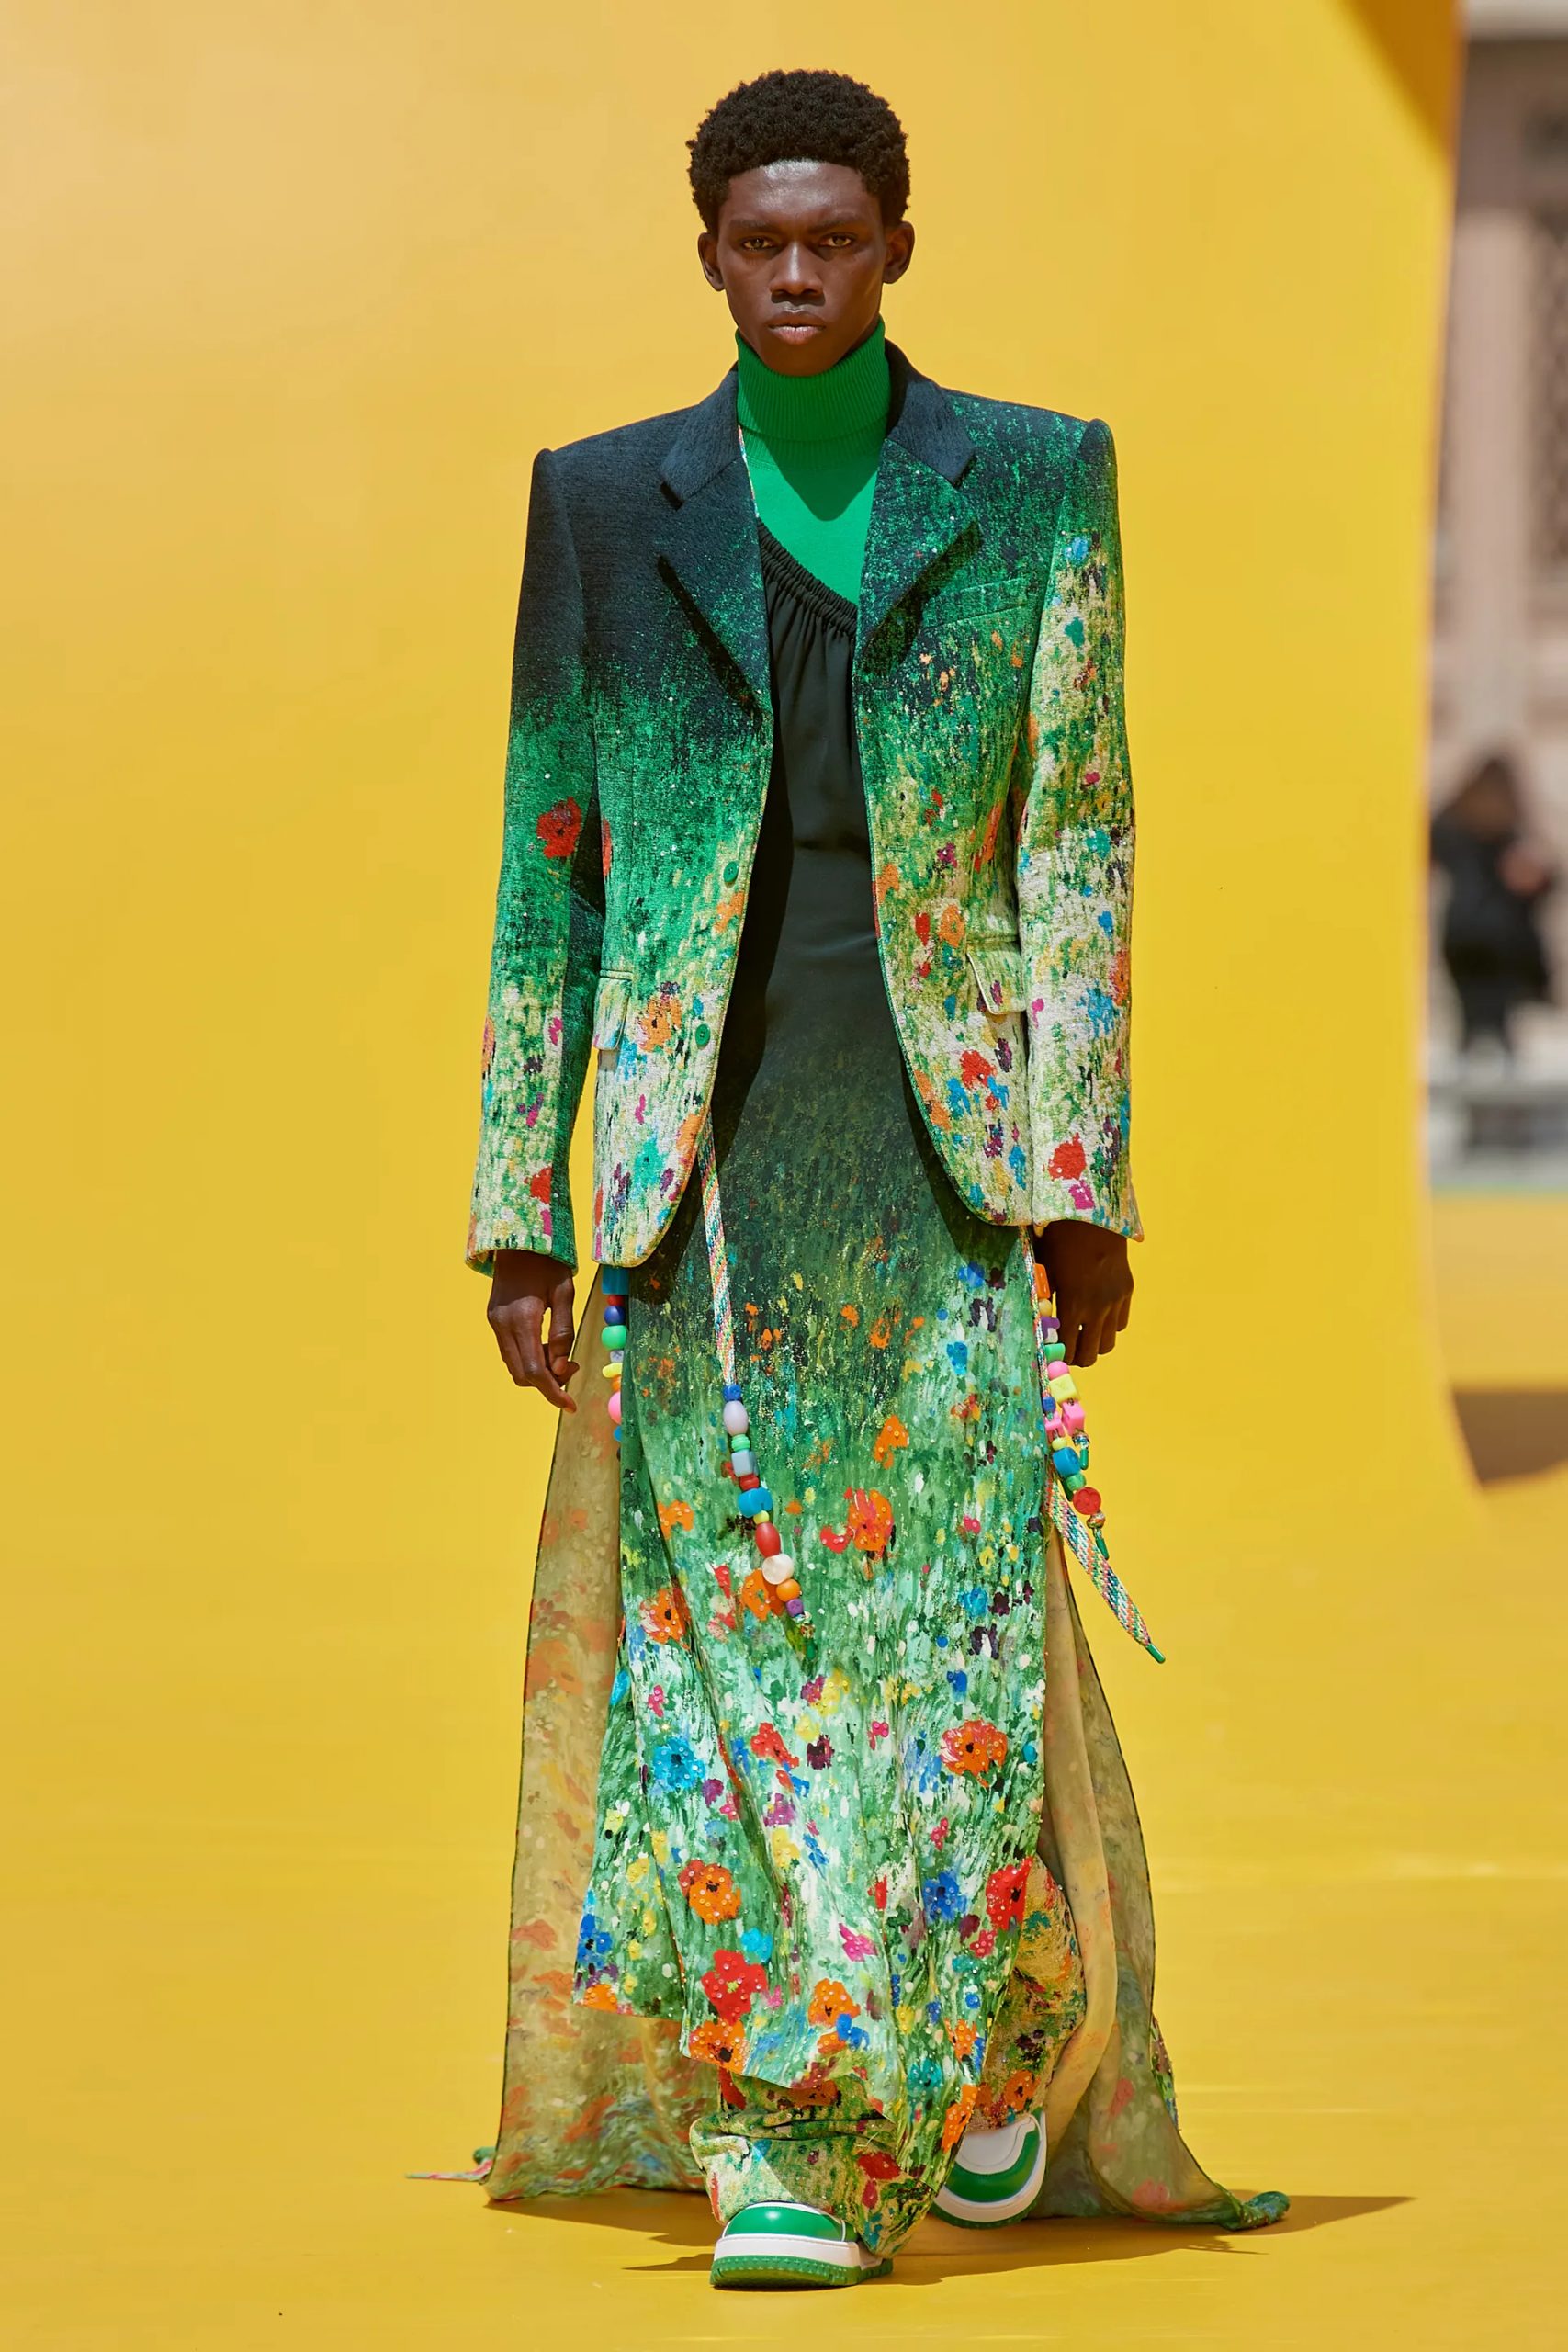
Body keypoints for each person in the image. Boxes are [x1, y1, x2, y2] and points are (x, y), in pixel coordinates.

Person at [467, 67, 1286, 2290]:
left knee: (937, 1630)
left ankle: (996, 2029)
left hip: (936, 1146)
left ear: (897, 241)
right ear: (712, 255)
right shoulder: (596, 505)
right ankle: (789, 2123)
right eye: (760, 241)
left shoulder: (1027, 485)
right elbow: (554, 863)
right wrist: (520, 1202)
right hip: (693, 1159)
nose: (800, 272)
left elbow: (1076, 838)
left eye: (836, 236)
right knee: (717, 1644)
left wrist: (1078, 1170)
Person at [1430, 751, 1556, 1059]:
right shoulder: (1510, 828)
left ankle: (1477, 1078)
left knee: (1470, 1022)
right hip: (1504, 939)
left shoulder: (1452, 823)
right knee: (1502, 1025)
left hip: (1462, 934)